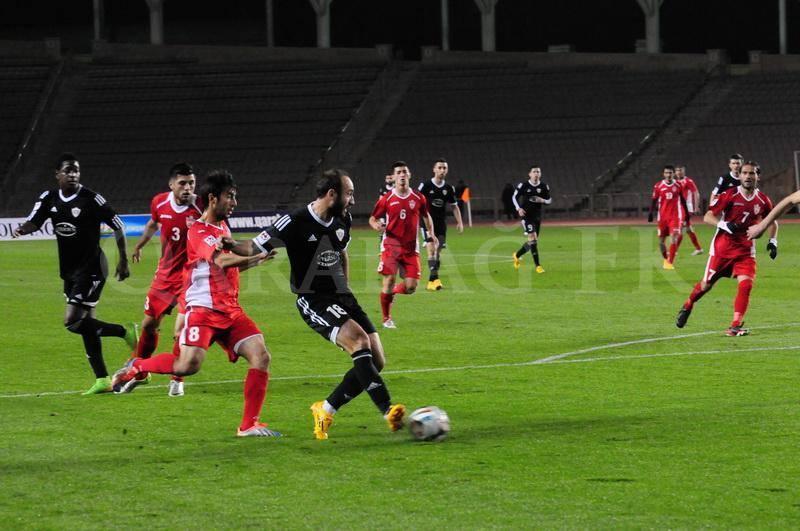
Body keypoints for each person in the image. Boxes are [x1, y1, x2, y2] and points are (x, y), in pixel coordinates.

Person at [228, 169, 406, 440]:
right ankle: (387, 410)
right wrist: (228, 243)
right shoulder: (294, 221)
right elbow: (253, 247)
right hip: (313, 299)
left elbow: (341, 252)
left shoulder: (342, 219)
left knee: (377, 361)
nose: (353, 200)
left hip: (341, 296)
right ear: (332, 194)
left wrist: (345, 288)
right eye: (349, 194)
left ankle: (325, 409)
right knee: (359, 342)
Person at [111, 170, 281, 437]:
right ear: (213, 199)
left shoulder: (223, 228)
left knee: (261, 356)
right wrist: (254, 256)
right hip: (203, 310)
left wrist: (256, 260)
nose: (234, 203)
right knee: (187, 366)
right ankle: (138, 366)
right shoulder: (198, 231)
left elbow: (231, 268)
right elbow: (221, 261)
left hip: (230, 310)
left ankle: (248, 425)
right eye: (230, 197)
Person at [13, 153, 137, 394]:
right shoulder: (48, 198)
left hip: (92, 268)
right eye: (68, 170)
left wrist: (123, 260)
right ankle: (102, 380)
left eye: (76, 170)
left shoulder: (91, 199)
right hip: (69, 271)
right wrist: (21, 229)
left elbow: (118, 225)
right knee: (86, 324)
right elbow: (34, 221)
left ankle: (124, 332)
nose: (72, 174)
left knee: (73, 322)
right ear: (57, 174)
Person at [126, 163, 202, 397]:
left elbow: (218, 228)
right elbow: (153, 223)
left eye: (191, 183)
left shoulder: (201, 206)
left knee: (181, 329)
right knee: (149, 325)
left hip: (193, 276)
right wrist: (140, 245)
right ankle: (140, 371)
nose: (188, 188)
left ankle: (177, 379)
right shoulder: (159, 202)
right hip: (166, 274)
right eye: (183, 183)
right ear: (171, 185)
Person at [676, 162, 777, 336]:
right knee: (706, 285)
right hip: (722, 250)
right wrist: (724, 225)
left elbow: (772, 221)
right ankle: (688, 305)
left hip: (745, 251)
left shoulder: (763, 200)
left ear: (757, 176)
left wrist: (773, 241)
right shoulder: (729, 195)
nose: (748, 176)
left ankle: (735, 326)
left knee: (746, 285)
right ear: (740, 176)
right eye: (744, 173)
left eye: (751, 173)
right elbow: (708, 216)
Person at [369, 161, 437, 328]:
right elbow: (373, 218)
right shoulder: (387, 199)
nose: (402, 175)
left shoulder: (418, 197)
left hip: (410, 249)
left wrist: (431, 233)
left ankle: (392, 293)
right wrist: (376, 225)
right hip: (390, 246)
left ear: (409, 175)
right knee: (390, 279)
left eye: (404, 172)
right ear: (393, 177)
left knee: (411, 287)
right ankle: (386, 319)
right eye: (398, 172)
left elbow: (426, 216)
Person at [417, 158, 463, 291]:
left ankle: (432, 280)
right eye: (440, 168)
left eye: (444, 168)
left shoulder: (449, 188)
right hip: (426, 222)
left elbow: (454, 206)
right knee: (431, 249)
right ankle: (435, 280)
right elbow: (415, 201)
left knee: (438, 252)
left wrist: (460, 222)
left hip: (441, 223)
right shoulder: (425, 185)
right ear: (434, 169)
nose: (442, 170)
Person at [511, 165, 551, 273]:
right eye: (534, 171)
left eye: (538, 172)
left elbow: (549, 200)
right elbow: (514, 197)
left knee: (533, 241)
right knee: (532, 238)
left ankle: (517, 255)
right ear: (529, 174)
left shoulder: (544, 186)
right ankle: (538, 266)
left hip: (537, 216)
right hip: (526, 216)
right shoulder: (523, 185)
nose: (536, 173)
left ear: (540, 174)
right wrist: (518, 208)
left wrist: (542, 200)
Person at [647, 165, 686, 270]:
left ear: (673, 174)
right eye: (667, 173)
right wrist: (650, 213)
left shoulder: (678, 185)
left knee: (674, 238)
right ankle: (665, 259)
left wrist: (686, 215)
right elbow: (654, 200)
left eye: (670, 173)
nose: (669, 175)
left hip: (675, 217)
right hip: (662, 217)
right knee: (661, 242)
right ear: (663, 174)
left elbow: (683, 201)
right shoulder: (658, 186)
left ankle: (669, 262)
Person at [674, 165, 703, 256]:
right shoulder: (675, 182)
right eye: (677, 170)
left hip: (686, 208)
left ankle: (674, 250)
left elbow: (696, 193)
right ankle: (699, 249)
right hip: (679, 208)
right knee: (688, 229)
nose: (679, 172)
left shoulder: (688, 181)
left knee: (680, 228)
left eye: (681, 170)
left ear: (684, 171)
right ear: (675, 172)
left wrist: (696, 206)